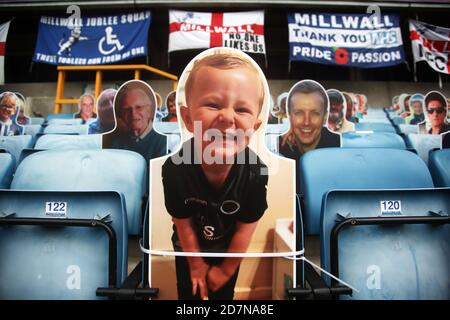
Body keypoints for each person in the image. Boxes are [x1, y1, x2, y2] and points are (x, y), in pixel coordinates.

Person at [161, 51, 268, 300]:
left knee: (223, 296)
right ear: (187, 118)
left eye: (242, 109)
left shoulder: (256, 172)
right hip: (187, 250)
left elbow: (244, 231)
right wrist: (196, 265)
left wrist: (225, 270)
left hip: (229, 250)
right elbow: (183, 225)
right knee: (190, 297)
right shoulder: (175, 168)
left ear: (254, 127)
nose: (227, 117)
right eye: (213, 105)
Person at [278, 80, 341, 193]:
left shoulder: (340, 148)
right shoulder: (277, 148)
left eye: (315, 113)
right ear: (290, 115)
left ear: (325, 117)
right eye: (298, 113)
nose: (306, 122)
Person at [103, 80, 167, 161]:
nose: (133, 114)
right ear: (121, 114)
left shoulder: (163, 142)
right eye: (127, 109)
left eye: (139, 107)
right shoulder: (117, 141)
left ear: (149, 110)